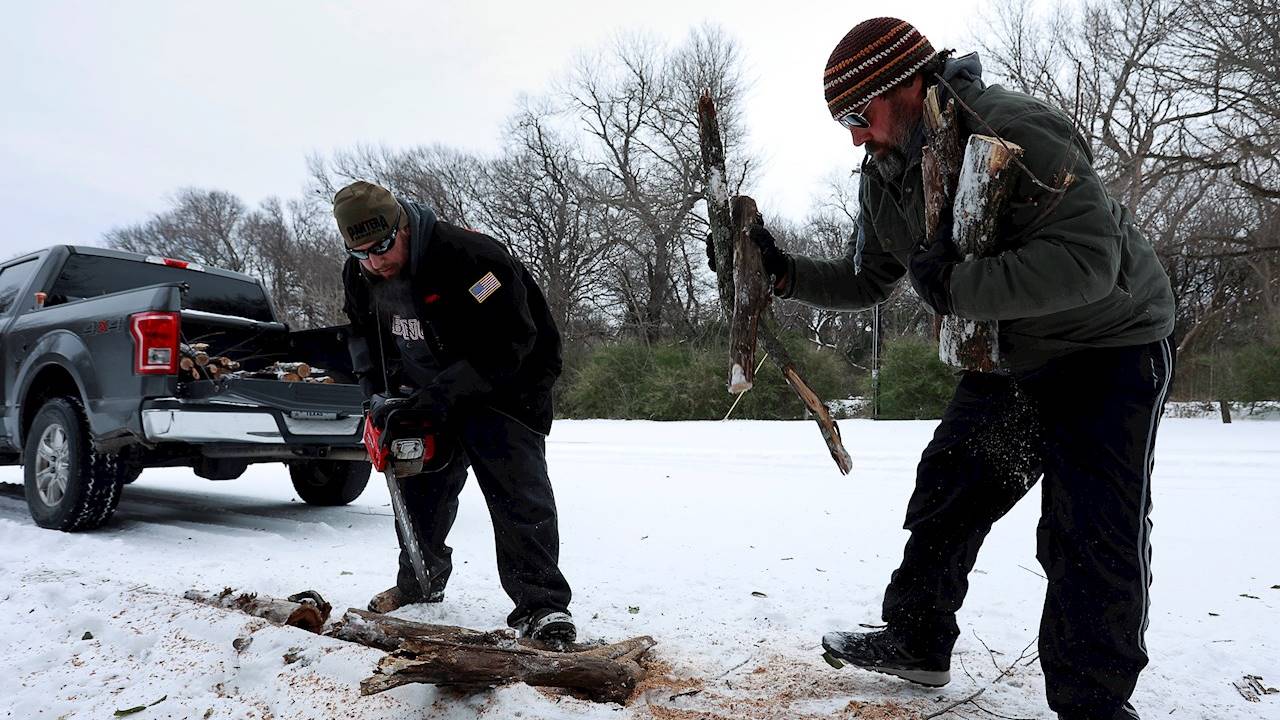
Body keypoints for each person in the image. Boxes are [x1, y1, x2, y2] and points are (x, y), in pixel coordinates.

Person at [714, 17, 1176, 720]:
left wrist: (956, 285)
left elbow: (1088, 263)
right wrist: (784, 274)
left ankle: (1094, 703)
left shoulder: (1016, 130)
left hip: (1109, 348)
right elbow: (869, 278)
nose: (855, 137)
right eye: (843, 122)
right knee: (949, 486)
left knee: (1088, 530)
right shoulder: (886, 172)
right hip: (1008, 357)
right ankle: (917, 641)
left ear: (904, 85)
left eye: (858, 115)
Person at [335, 180, 575, 645]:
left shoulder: (473, 259)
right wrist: (378, 397)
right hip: (426, 387)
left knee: (517, 493)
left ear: (403, 227)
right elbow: (364, 333)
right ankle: (420, 582)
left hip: (507, 384)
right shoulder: (360, 274)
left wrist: (439, 396)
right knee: (418, 486)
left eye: (382, 247)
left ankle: (542, 606)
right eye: (361, 253)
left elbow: (511, 341)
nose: (375, 262)